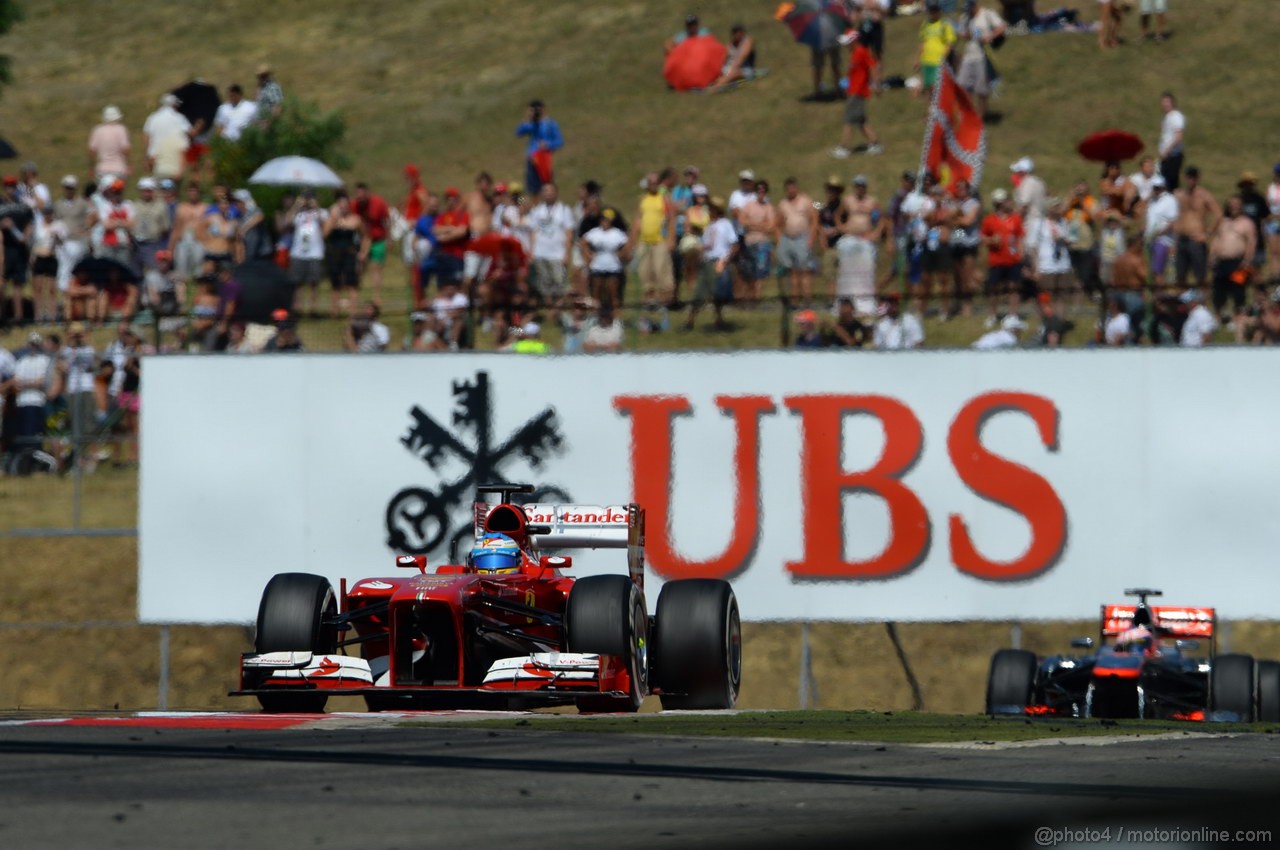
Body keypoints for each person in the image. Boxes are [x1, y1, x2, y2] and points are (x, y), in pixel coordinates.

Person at [686, 196, 736, 331]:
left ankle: (719, 322)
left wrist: (725, 260)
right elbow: (707, 244)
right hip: (706, 261)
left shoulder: (726, 224)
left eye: (712, 208)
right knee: (699, 293)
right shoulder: (709, 226)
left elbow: (734, 245)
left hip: (718, 261)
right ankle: (690, 322)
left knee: (717, 294)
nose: (709, 210)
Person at [830, 31, 882, 159]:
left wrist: (876, 85)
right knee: (861, 121)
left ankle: (844, 148)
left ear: (854, 41)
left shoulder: (861, 51)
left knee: (848, 120)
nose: (846, 45)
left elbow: (873, 67)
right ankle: (875, 143)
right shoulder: (853, 54)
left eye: (848, 42)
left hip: (858, 92)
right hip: (853, 90)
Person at [1208, 195, 1256, 331]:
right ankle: (1218, 317)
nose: (1234, 207)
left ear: (1241, 206)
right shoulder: (1223, 222)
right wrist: (1212, 256)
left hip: (1238, 263)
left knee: (1238, 291)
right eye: (1232, 204)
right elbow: (1217, 239)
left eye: (1237, 204)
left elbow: (1251, 242)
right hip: (1222, 262)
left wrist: (1247, 260)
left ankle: (1237, 319)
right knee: (1218, 290)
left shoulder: (1246, 223)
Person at [528, 182, 575, 309]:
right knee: (544, 282)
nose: (548, 194)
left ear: (556, 193)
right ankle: (549, 308)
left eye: (551, 191)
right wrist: (531, 251)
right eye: (546, 191)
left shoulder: (564, 210)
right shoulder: (537, 210)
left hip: (558, 253)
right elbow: (533, 231)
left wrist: (567, 253)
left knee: (559, 282)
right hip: (540, 252)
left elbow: (569, 232)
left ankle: (559, 308)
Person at [955, 1, 1006, 118]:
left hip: (982, 55)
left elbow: (1002, 26)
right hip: (969, 55)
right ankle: (967, 113)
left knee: (981, 88)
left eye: (969, 8)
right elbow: (962, 33)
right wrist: (965, 34)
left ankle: (982, 115)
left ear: (974, 5)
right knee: (962, 84)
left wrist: (990, 36)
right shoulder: (965, 17)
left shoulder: (987, 14)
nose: (968, 11)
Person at [632, 172, 675, 310]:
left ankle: (665, 301)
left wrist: (671, 239)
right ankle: (649, 300)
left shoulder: (663, 199)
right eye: (651, 183)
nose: (653, 185)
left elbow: (671, 219)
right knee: (645, 271)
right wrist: (632, 239)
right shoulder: (643, 199)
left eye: (656, 182)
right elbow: (638, 219)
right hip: (644, 241)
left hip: (659, 241)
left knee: (661, 269)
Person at [980, 187, 1024, 318]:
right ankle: (992, 314)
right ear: (999, 203)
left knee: (1013, 288)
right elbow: (981, 236)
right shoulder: (989, 220)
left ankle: (1012, 314)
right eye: (1006, 200)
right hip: (996, 259)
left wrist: (1020, 254)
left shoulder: (1015, 218)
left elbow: (1020, 237)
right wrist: (991, 240)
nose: (1009, 202)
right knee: (993, 289)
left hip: (1013, 259)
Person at [1173, 166, 1220, 289]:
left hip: (1196, 239)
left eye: (1193, 177)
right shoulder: (1180, 195)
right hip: (1181, 239)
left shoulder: (1204, 195)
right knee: (1180, 275)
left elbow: (1218, 215)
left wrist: (1207, 234)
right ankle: (1182, 304)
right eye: (1189, 177)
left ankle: (1202, 304)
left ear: (1198, 178)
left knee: (1200, 276)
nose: (1191, 180)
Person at [775, 178, 818, 307]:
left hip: (802, 238)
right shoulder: (783, 204)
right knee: (792, 271)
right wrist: (779, 240)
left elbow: (814, 219)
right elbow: (777, 223)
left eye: (793, 188)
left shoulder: (806, 200)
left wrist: (811, 237)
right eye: (788, 189)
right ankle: (794, 301)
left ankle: (807, 300)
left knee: (805, 270)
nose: (791, 191)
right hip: (788, 239)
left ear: (797, 188)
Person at [287, 191, 328, 316]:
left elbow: (325, 222)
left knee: (314, 283)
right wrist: (296, 205)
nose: (308, 202)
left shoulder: (320, 212)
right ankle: (297, 308)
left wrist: (316, 207)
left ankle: (313, 309)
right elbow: (288, 221)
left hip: (315, 253)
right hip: (298, 253)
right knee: (297, 282)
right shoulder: (298, 214)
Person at [325, 191, 364, 318]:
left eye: (345, 204)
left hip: (349, 253)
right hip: (335, 253)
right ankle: (334, 312)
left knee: (351, 284)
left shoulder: (355, 219)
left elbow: (365, 235)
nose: (343, 206)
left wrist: (361, 251)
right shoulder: (331, 219)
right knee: (336, 284)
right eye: (340, 204)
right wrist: (333, 219)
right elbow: (324, 234)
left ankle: (352, 312)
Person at [580, 208, 629, 309]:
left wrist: (621, 254)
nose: (605, 222)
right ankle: (595, 317)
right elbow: (583, 242)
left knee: (613, 293)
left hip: (613, 266)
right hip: (598, 266)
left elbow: (627, 244)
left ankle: (616, 319)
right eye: (603, 219)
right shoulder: (595, 232)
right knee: (596, 293)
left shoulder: (617, 233)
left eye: (607, 220)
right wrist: (588, 255)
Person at [352, 183, 390, 304]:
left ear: (367, 194)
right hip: (363, 239)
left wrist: (389, 238)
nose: (361, 200)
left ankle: (376, 296)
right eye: (358, 197)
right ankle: (355, 295)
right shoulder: (354, 205)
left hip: (378, 239)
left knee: (376, 268)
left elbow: (387, 220)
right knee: (359, 267)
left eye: (362, 197)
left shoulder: (378, 202)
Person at [515, 100, 563, 197]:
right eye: (533, 110)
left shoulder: (550, 124)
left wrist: (548, 144)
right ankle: (528, 206)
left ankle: (548, 207)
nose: (536, 112)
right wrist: (528, 118)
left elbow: (559, 141)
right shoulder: (532, 124)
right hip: (532, 159)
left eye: (537, 109)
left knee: (547, 187)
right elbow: (519, 132)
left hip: (544, 159)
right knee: (531, 190)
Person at [142, 93, 191, 179]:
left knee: (159, 185)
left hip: (156, 156)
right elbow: (189, 132)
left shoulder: (153, 118)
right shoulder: (179, 118)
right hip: (174, 157)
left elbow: (147, 137)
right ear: (174, 104)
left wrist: (147, 157)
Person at [914, 1, 955, 100]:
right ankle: (929, 113)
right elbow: (922, 42)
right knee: (928, 88)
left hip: (938, 61)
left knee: (936, 87)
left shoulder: (945, 24)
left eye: (936, 10)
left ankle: (939, 111)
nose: (934, 13)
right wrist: (917, 58)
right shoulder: (926, 24)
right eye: (932, 11)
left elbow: (949, 43)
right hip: (926, 61)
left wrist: (944, 56)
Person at [1144, 175, 1179, 289]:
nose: (1157, 189)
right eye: (1155, 187)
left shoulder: (1170, 200)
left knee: (1158, 270)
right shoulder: (1152, 201)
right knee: (1149, 270)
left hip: (1163, 240)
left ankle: (1160, 295)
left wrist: (1159, 233)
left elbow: (1172, 222)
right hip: (1149, 240)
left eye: (1159, 187)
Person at [707, 23, 757, 93]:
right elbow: (723, 59)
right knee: (718, 72)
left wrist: (731, 69)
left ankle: (715, 88)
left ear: (742, 32)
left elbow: (741, 57)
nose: (736, 34)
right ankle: (711, 84)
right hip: (730, 68)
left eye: (738, 32)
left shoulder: (747, 42)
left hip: (745, 69)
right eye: (734, 32)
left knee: (732, 73)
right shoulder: (730, 45)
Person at [87, 105, 130, 180]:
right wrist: (130, 164)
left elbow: (92, 151)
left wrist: (91, 167)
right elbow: (125, 149)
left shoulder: (97, 130)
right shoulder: (121, 129)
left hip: (102, 170)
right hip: (118, 169)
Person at [1157, 92, 1185, 191]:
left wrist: (1167, 151)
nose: (1165, 104)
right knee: (1163, 182)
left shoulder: (1176, 116)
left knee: (1171, 185)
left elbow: (1178, 136)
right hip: (1166, 157)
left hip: (1172, 156)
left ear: (1173, 103)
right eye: (1164, 102)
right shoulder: (1166, 117)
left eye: (1168, 102)